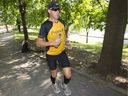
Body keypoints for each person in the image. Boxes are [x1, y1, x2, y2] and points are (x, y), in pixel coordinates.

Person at [36, 1, 72, 96]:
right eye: (54, 10)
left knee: (68, 75)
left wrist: (67, 42)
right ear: (49, 11)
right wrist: (51, 43)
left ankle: (64, 84)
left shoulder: (62, 22)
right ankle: (53, 83)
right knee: (54, 74)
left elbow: (64, 35)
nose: (57, 12)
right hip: (51, 54)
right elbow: (38, 43)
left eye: (58, 9)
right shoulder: (45, 25)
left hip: (61, 52)